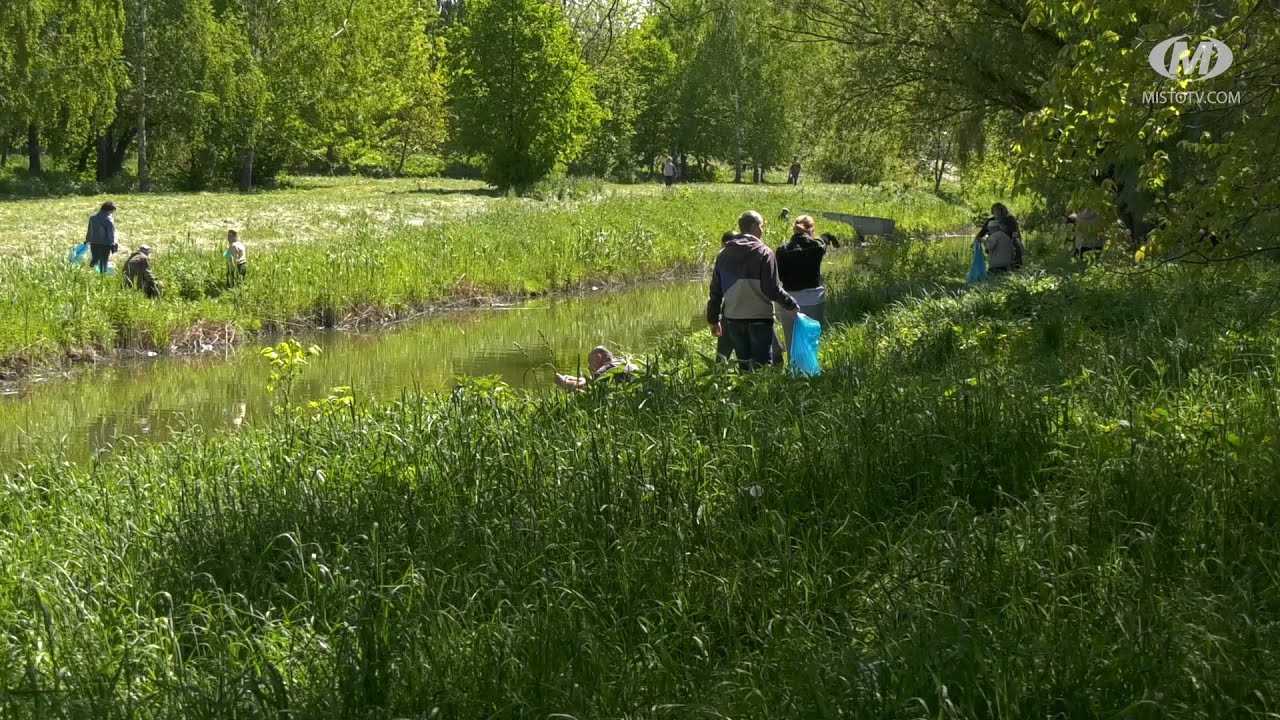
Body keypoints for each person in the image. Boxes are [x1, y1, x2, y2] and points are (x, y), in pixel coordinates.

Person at [707, 210, 798, 371]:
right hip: (760, 317)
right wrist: (790, 304)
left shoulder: (724, 254)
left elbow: (715, 290)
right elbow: (772, 289)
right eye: (762, 226)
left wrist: (713, 320)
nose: (763, 230)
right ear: (754, 226)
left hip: (733, 317)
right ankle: (762, 395)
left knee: (744, 365)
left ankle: (745, 394)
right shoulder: (764, 252)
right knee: (763, 366)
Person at [775, 215, 830, 359]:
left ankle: (794, 372)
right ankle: (811, 372)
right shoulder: (816, 246)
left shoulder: (782, 250)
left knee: (791, 340)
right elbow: (822, 241)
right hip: (814, 299)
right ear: (812, 230)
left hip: (789, 300)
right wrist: (825, 236)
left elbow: (779, 276)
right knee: (812, 339)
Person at [974, 202, 1025, 274]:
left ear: (1003, 212)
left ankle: (1015, 269)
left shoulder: (1010, 219)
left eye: (999, 211)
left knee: (1014, 263)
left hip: (1009, 244)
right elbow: (981, 233)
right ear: (993, 212)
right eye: (995, 211)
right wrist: (977, 240)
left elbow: (1015, 234)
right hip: (994, 245)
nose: (997, 214)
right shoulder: (991, 221)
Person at [555, 346, 636, 389]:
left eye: (590, 361)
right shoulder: (620, 360)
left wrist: (565, 383)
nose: (589, 367)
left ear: (599, 358)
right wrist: (575, 378)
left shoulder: (603, 371)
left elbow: (587, 387)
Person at [85, 201, 118, 273]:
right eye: (112, 211)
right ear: (110, 210)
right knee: (103, 262)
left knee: (95, 259)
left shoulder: (92, 217)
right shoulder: (109, 219)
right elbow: (111, 233)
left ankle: (88, 273)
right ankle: (102, 276)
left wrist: (87, 239)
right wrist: (113, 244)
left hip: (94, 243)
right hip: (105, 244)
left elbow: (89, 230)